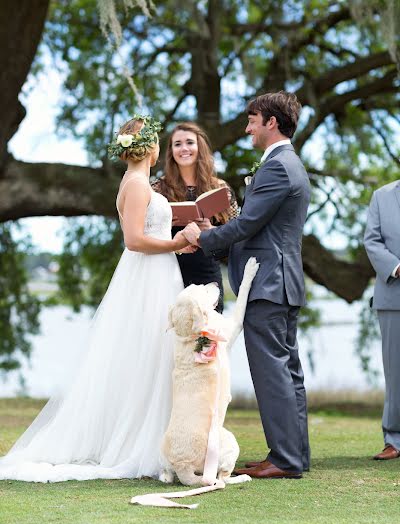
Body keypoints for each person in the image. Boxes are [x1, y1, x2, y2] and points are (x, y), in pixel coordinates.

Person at [0, 115, 192, 483]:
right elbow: (134, 240)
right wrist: (176, 243)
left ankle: (159, 439)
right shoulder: (137, 185)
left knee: (154, 355)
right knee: (149, 353)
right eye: (158, 143)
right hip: (147, 277)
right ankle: (140, 444)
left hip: (158, 271)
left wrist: (174, 249)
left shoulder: (137, 182)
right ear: (148, 146)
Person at [182, 91, 311, 479]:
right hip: (279, 281)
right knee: (288, 372)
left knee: (273, 373)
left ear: (271, 122)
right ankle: (291, 455)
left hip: (268, 282)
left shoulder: (277, 166)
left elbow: (247, 225)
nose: (248, 127)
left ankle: (285, 460)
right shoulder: (288, 163)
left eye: (252, 119)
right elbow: (257, 226)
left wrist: (202, 238)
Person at [152, 122, 238, 312]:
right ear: (171, 151)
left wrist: (213, 232)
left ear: (200, 147)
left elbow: (237, 239)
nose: (184, 148)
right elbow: (145, 233)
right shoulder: (157, 188)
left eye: (189, 142)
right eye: (177, 144)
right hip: (168, 272)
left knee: (205, 339)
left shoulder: (221, 188)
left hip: (207, 277)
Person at [364, 181, 400, 461]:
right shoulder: (382, 196)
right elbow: (371, 240)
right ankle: (394, 439)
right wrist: (396, 267)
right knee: (395, 374)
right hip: (393, 298)